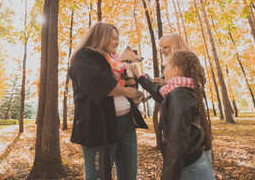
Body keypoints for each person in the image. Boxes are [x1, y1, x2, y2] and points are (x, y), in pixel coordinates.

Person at [68, 22, 147, 180]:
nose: (117, 42)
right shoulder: (83, 57)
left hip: (126, 123)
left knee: (129, 175)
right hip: (99, 126)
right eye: (113, 38)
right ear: (100, 36)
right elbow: (100, 84)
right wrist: (127, 91)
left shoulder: (113, 59)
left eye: (118, 38)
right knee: (99, 176)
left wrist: (135, 79)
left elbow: (126, 81)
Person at [131, 51, 215, 180]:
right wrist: (140, 78)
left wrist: (168, 174)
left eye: (166, 67)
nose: (164, 72)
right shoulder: (182, 91)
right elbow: (160, 93)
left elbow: (178, 139)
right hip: (194, 162)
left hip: (189, 168)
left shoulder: (179, 95)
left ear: (175, 70)